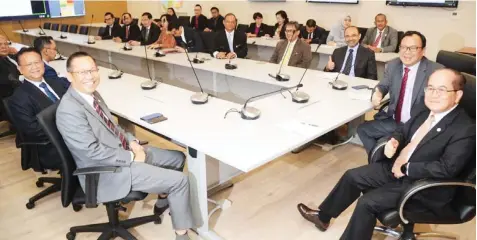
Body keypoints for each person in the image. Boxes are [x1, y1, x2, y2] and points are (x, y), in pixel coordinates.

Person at [297, 68, 475, 240]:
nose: (433, 94)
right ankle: (323, 217)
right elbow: (403, 131)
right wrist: (394, 141)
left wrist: (406, 168)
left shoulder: (464, 128)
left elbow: (447, 168)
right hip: (399, 168)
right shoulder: (425, 110)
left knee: (367, 202)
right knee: (352, 176)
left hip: (423, 185)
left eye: (441, 89)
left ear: (458, 95)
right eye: (430, 88)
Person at [56, 52, 195, 240]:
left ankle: (163, 200)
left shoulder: (92, 94)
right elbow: (91, 152)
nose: (89, 76)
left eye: (92, 70)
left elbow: (113, 126)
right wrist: (131, 157)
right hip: (105, 170)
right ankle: (182, 235)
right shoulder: (69, 110)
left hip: (122, 151)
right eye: (82, 72)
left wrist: (131, 141)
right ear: (70, 75)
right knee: (180, 181)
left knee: (177, 158)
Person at [357, 31, 443, 155]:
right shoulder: (393, 65)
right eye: (403, 47)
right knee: (363, 130)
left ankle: (386, 161)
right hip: (394, 121)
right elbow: (383, 85)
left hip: (418, 125)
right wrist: (378, 92)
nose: (406, 52)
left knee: (386, 145)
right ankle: (379, 164)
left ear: (423, 51)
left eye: (413, 48)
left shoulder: (436, 71)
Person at [9, 48, 67, 169]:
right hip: (52, 145)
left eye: (37, 62)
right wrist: (69, 129)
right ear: (20, 69)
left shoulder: (56, 83)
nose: (34, 67)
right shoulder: (19, 98)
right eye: (29, 64)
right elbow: (34, 130)